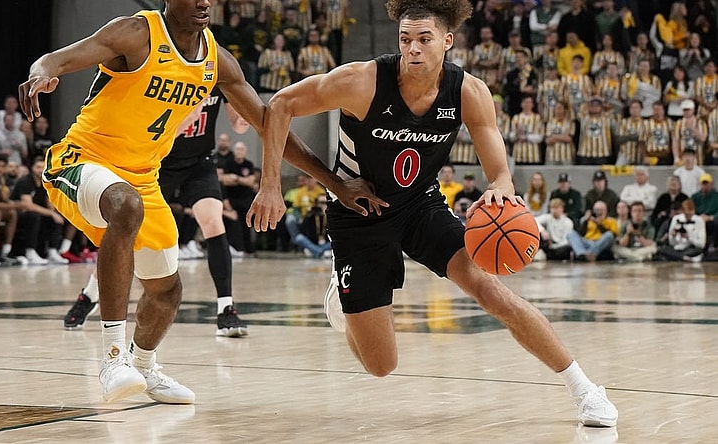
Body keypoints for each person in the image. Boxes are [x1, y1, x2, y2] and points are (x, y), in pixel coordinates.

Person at [250, 0, 617, 427]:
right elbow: (278, 105)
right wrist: (272, 184)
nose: (414, 49)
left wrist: (500, 190)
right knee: (381, 366)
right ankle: (343, 298)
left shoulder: (468, 91)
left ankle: (586, 389)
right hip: (358, 214)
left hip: (421, 204)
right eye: (406, 40)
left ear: (447, 41)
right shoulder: (361, 81)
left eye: (425, 40)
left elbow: (500, 172)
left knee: (491, 290)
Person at [18, 0, 298, 404]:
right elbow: (55, 60)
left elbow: (272, 126)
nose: (204, 1)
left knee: (167, 289)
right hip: (81, 159)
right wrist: (40, 74)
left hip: (145, 177)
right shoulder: (135, 33)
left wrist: (336, 183)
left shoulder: (216, 60)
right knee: (126, 207)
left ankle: (145, 367)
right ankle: (114, 358)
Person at [63, 87, 251, 338]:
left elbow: (239, 125)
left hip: (199, 162)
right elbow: (164, 130)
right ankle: (89, 295)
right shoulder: (169, 76)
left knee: (213, 222)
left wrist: (245, 115)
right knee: (127, 233)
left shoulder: (217, 70)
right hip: (158, 160)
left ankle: (226, 308)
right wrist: (188, 115)